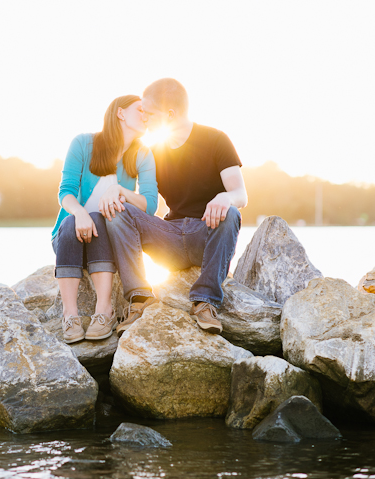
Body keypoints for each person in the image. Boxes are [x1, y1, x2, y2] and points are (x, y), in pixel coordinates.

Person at [104, 78, 248, 336]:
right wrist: (119, 194)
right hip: (168, 239)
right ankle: (139, 298)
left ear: (169, 114)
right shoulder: (151, 153)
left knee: (232, 213)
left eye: (148, 112)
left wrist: (225, 198)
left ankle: (205, 301)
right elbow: (147, 205)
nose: (144, 117)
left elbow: (240, 194)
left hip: (206, 234)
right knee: (119, 210)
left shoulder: (216, 139)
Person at [51, 94, 158, 344]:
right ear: (120, 113)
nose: (147, 116)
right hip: (70, 237)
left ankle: (104, 311)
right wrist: (78, 213)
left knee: (100, 218)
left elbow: (150, 205)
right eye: (141, 110)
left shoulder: (143, 154)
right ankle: (70, 315)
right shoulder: (83, 143)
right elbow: (65, 192)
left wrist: (121, 191)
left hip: (106, 244)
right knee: (72, 221)